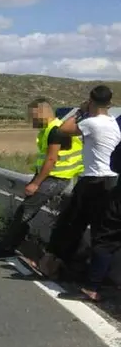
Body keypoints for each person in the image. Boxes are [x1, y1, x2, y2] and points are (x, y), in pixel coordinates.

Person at [0, 98, 83, 260]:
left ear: (42, 113)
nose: (31, 120)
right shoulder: (52, 129)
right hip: (54, 177)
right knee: (25, 212)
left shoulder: (55, 130)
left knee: (24, 213)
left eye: (33, 116)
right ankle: (11, 244)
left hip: (54, 179)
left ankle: (4, 248)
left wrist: (35, 183)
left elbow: (51, 160)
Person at [38, 85, 121, 278]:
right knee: (100, 230)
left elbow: (63, 129)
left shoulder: (92, 123)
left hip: (92, 180)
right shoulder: (113, 123)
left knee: (70, 223)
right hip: (110, 181)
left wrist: (82, 110)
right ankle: (95, 273)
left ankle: (54, 265)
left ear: (91, 100)